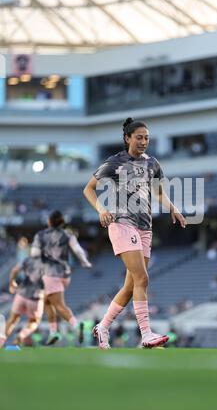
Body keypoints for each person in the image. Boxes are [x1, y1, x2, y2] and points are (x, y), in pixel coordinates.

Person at [83, 117, 187, 349]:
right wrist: (101, 209)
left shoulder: (153, 163)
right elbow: (88, 189)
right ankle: (147, 334)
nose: (143, 142)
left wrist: (173, 208)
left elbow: (158, 192)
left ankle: (103, 327)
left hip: (144, 227)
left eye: (147, 138)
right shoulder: (114, 162)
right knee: (142, 279)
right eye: (138, 137)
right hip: (121, 223)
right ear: (127, 138)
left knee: (131, 286)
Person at [31, 210, 92, 345]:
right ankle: (54, 333)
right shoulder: (67, 234)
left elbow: (34, 253)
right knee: (47, 301)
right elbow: (78, 250)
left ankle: (77, 326)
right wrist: (85, 262)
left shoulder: (41, 235)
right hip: (65, 274)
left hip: (51, 274)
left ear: (49, 222)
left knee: (58, 305)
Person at [4, 256, 44, 346]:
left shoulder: (29, 259)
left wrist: (12, 283)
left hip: (21, 293)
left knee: (12, 320)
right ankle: (21, 335)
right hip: (35, 297)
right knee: (34, 322)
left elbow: (14, 270)